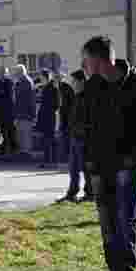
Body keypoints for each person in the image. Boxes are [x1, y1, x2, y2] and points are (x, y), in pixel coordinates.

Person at [81, 36, 136, 271]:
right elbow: (84, 124)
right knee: (107, 223)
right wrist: (89, 160)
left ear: (99, 61)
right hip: (100, 166)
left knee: (125, 220)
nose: (84, 65)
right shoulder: (92, 87)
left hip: (128, 165)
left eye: (87, 60)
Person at [60, 70, 94, 203]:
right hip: (74, 136)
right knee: (73, 168)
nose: (72, 84)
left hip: (83, 138)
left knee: (85, 168)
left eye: (74, 82)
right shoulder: (76, 96)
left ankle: (90, 193)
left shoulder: (87, 97)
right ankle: (71, 193)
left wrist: (82, 131)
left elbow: (88, 119)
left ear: (81, 82)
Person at [36, 71, 61, 168]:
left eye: (41, 77)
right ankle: (47, 160)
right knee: (46, 140)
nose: (40, 79)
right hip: (45, 117)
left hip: (49, 117)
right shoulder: (44, 87)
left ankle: (52, 161)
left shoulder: (53, 87)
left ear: (46, 77)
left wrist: (50, 111)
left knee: (50, 139)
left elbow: (57, 103)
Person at [14, 65, 36, 158]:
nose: (15, 74)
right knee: (21, 134)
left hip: (26, 112)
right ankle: (23, 151)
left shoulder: (27, 82)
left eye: (16, 72)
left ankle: (26, 152)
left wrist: (32, 114)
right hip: (21, 112)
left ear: (21, 72)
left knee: (25, 134)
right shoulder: (20, 81)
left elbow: (29, 99)